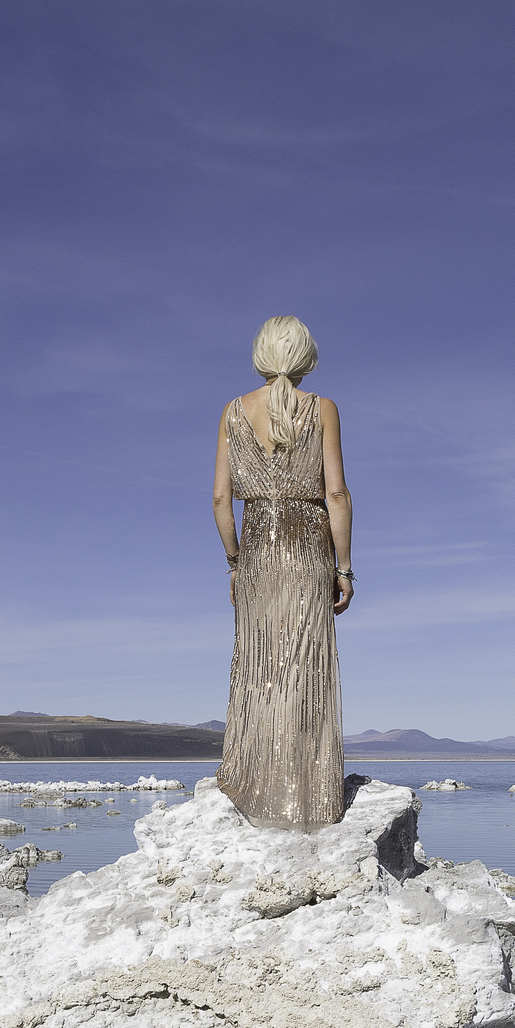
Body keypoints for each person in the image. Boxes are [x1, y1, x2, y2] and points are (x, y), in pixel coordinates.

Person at [211, 315, 351, 830]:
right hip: (307, 545)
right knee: (305, 666)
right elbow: (335, 493)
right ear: (304, 355)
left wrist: (234, 561)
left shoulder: (232, 411)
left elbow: (221, 499)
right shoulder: (323, 409)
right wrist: (345, 568)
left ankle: (254, 782)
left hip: (256, 550)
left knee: (261, 666)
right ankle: (309, 798)